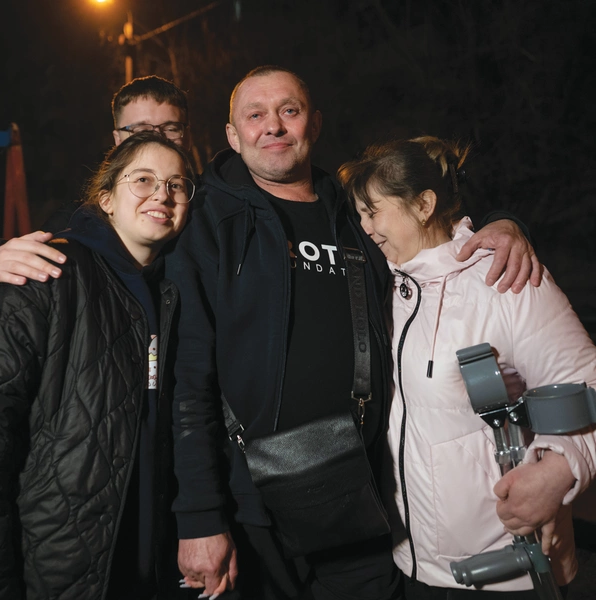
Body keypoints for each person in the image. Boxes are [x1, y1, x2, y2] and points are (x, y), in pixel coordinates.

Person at [165, 66, 542, 600]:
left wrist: (504, 222)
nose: (272, 126)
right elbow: (188, 380)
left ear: (313, 123)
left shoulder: (354, 209)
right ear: (232, 134)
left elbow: (434, 216)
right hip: (251, 509)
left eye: (288, 111)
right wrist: (200, 515)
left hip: (359, 497)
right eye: (255, 115)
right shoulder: (204, 220)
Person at [0, 131, 196, 600]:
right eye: (144, 180)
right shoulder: (44, 272)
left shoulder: (173, 291)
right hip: (56, 570)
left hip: (144, 571)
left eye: (177, 184)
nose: (162, 194)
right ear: (106, 198)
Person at [337, 136, 596, 599]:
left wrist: (559, 470)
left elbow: (587, 384)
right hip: (412, 564)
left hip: (506, 566)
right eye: (359, 213)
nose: (365, 226)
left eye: (373, 210)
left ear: (424, 204)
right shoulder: (386, 286)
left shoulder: (503, 279)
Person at [0, 75, 191, 303]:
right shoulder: (79, 223)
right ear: (118, 139)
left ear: (186, 137)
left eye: (171, 129)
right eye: (141, 129)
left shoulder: (206, 207)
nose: (157, 139)